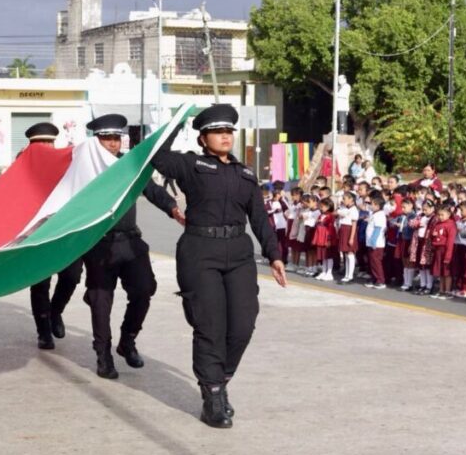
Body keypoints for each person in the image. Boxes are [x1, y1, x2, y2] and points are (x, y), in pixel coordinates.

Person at [150, 104, 287, 429]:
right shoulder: (189, 164)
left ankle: (220, 379)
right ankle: (212, 397)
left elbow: (259, 219)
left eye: (229, 132)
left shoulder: (245, 174)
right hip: (200, 250)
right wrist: (176, 120)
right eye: (217, 131)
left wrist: (274, 254)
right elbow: (155, 156)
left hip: (239, 253)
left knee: (243, 324)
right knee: (210, 326)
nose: (225, 136)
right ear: (202, 137)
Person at [80, 114, 183, 379]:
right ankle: (103, 354)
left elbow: (151, 189)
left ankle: (128, 340)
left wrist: (173, 208)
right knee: (101, 301)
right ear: (96, 141)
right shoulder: (85, 169)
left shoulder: (128, 166)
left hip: (130, 241)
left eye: (116, 139)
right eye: (107, 139)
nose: (113, 144)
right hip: (99, 245)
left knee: (145, 289)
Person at [22, 122, 84, 351]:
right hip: (36, 236)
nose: (45, 146)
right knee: (40, 285)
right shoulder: (22, 164)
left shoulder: (67, 163)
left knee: (72, 276)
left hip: (64, 232)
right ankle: (44, 332)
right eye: (40, 143)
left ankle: (56, 311)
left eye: (49, 142)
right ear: (31, 145)